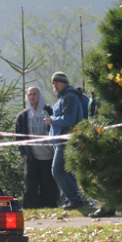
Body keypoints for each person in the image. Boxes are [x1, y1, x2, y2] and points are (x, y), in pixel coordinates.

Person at [44, 71, 86, 210]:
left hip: (66, 140)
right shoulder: (63, 98)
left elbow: (69, 119)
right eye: (52, 83)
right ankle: (75, 199)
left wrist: (51, 120)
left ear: (64, 83)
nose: (54, 85)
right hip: (60, 141)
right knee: (67, 171)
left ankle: (76, 199)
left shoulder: (69, 97)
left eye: (56, 82)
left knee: (57, 170)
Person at [15, 86, 59, 209]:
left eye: (35, 94)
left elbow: (57, 129)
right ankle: (30, 210)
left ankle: (50, 209)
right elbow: (19, 138)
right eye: (30, 94)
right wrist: (24, 154)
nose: (32, 96)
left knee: (49, 187)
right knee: (30, 188)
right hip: (31, 158)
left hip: (49, 157)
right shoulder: (23, 116)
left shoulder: (49, 111)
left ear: (39, 95)